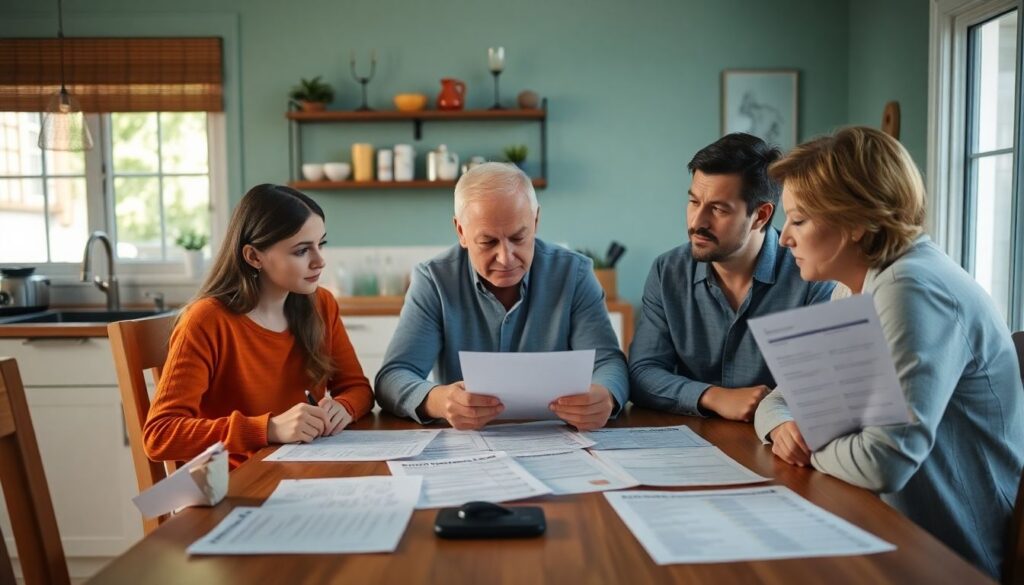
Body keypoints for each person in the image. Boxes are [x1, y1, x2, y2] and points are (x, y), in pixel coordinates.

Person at [754, 126, 1024, 578]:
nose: (783, 238)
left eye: (798, 220)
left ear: (858, 222)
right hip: (879, 526)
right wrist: (784, 425)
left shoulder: (911, 288)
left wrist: (807, 443)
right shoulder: (856, 284)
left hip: (943, 558)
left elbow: (884, 463)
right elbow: (778, 400)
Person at [375, 162, 627, 431]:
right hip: (469, 447)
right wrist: (439, 400)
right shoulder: (434, 281)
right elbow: (393, 377)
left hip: (556, 437)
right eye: (488, 242)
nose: (506, 258)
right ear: (461, 231)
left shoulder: (574, 274)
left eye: (519, 238)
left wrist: (606, 395)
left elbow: (609, 363)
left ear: (536, 220)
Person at [144, 184, 374, 468]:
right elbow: (160, 435)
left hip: (302, 469)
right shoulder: (206, 320)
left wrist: (344, 408)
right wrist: (269, 429)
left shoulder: (321, 304)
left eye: (321, 244)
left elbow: (358, 389)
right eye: (302, 251)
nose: (319, 261)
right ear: (254, 257)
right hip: (236, 485)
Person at [629, 133, 834, 421]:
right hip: (693, 444)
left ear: (761, 216)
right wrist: (712, 396)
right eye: (694, 202)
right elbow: (642, 373)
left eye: (718, 209)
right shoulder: (667, 272)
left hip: (776, 446)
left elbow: (823, 388)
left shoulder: (811, 277)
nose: (697, 222)